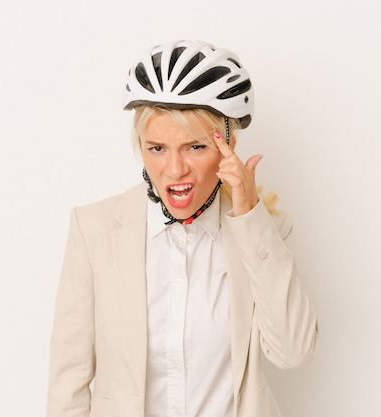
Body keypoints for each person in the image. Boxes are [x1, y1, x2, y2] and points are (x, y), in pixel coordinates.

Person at [47, 39, 319, 417]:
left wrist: (250, 217)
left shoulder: (263, 234)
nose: (175, 171)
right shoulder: (94, 230)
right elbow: (68, 386)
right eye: (157, 148)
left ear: (228, 148)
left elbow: (294, 351)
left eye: (195, 147)